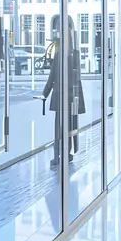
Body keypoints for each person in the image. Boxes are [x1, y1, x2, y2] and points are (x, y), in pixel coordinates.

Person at [35, 15, 86, 169]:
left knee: (60, 128)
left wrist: (45, 93)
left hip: (64, 96)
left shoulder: (62, 52)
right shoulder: (73, 51)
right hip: (71, 96)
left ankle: (60, 155)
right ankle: (66, 154)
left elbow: (53, 76)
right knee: (69, 126)